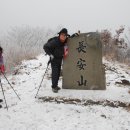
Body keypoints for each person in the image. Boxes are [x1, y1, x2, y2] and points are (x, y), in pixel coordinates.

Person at [43, 28, 69, 93]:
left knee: (58, 73)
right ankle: (54, 87)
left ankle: (56, 85)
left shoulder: (65, 41)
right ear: (59, 35)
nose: (63, 36)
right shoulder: (55, 41)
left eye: (65, 35)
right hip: (54, 59)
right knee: (55, 73)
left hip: (59, 59)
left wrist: (76, 34)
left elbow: (71, 37)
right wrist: (50, 55)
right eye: (62, 35)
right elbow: (45, 46)